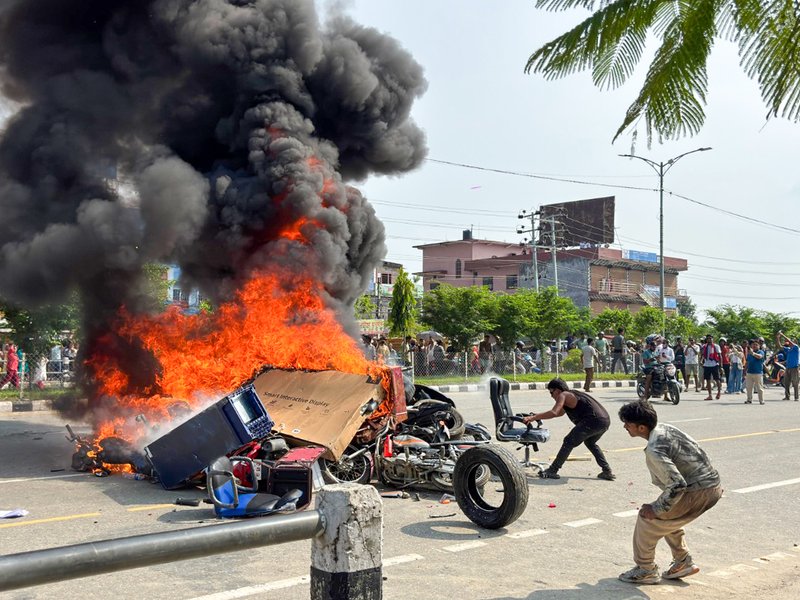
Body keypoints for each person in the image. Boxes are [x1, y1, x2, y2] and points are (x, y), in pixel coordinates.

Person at [617, 400, 722, 585]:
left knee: (648, 518)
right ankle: (683, 561)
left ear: (641, 427)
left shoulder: (654, 449)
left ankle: (645, 569)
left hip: (697, 490)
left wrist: (655, 508)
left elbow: (677, 485)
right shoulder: (666, 429)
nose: (624, 427)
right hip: (712, 486)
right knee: (668, 518)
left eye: (627, 423)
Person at [522, 378, 615, 481]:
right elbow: (560, 412)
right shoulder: (571, 394)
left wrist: (532, 418)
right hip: (604, 421)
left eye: (551, 392)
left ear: (557, 390)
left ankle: (553, 470)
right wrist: (537, 415)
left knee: (568, 441)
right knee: (590, 442)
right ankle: (607, 471)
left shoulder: (563, 395)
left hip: (593, 421)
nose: (551, 395)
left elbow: (554, 412)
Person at [776, 331, 799, 401]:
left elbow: (790, 342)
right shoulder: (788, 349)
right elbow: (779, 346)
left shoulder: (796, 348)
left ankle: (796, 397)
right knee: (786, 382)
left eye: (792, 341)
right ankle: (787, 396)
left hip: (794, 367)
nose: (789, 342)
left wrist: (782, 334)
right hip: (788, 367)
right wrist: (777, 338)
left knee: (795, 383)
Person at [700, 335, 722, 400]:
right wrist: (701, 361)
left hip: (714, 364)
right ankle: (710, 395)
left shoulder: (716, 346)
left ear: (712, 339)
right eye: (708, 339)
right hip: (707, 364)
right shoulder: (704, 346)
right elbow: (703, 355)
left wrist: (721, 366)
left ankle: (719, 392)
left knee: (717, 379)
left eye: (710, 338)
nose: (709, 340)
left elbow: (720, 356)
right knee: (708, 380)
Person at [744, 339, 765, 404]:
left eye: (756, 345)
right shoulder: (749, 353)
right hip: (750, 372)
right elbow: (747, 362)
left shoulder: (761, 352)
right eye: (753, 345)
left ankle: (761, 400)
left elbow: (759, 357)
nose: (754, 346)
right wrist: (744, 370)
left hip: (758, 372)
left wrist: (753, 353)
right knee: (749, 387)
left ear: (759, 346)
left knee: (759, 388)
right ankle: (749, 399)